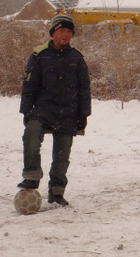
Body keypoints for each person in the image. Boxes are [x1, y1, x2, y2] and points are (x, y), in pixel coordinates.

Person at [17, 14, 91, 206]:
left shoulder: (77, 57)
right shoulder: (39, 55)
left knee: (62, 154)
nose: (65, 35)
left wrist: (84, 114)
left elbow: (84, 88)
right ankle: (32, 176)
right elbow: (29, 86)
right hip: (43, 109)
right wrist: (26, 112)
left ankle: (57, 192)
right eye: (61, 31)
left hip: (69, 112)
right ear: (52, 33)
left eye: (69, 31)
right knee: (31, 135)